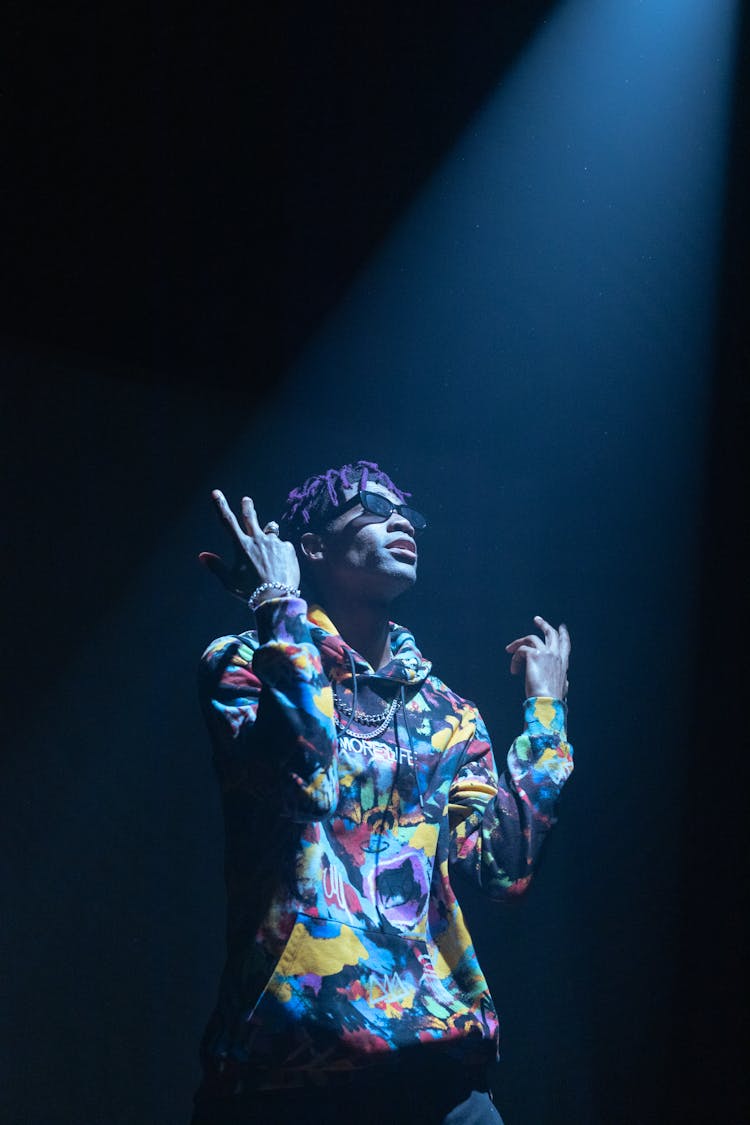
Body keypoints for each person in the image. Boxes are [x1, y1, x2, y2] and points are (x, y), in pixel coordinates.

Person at [191, 460, 573, 1125]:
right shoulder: (244, 664)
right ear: (312, 546)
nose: (401, 520)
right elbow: (305, 783)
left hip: (438, 1074)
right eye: (373, 505)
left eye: (409, 512)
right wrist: (277, 607)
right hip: (289, 1074)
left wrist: (545, 713)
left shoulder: (448, 712)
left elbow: (503, 870)